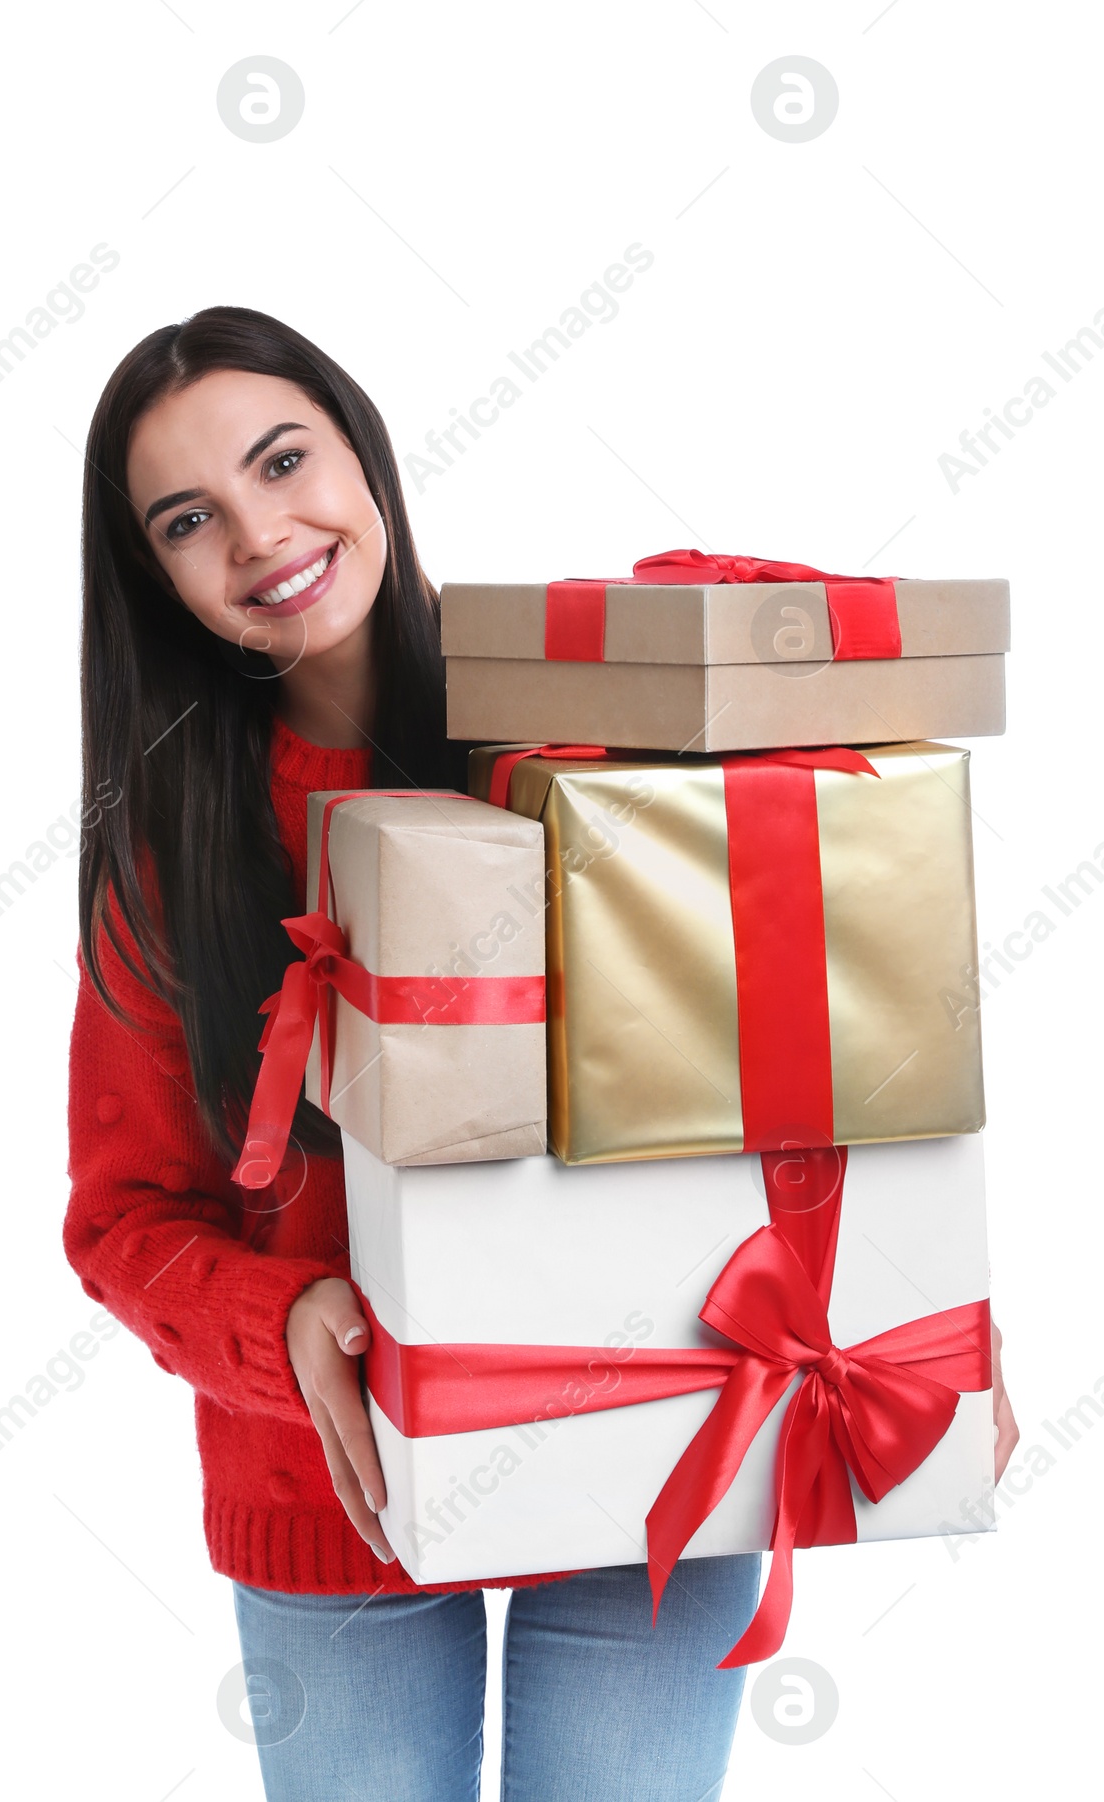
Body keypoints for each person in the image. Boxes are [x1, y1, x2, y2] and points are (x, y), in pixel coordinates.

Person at [61, 305, 1019, 1801]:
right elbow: (122, 1221)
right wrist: (283, 1318)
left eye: (283, 460)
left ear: (365, 458)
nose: (259, 532)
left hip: (662, 1440)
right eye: (192, 518)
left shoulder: (597, 743)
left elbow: (813, 1054)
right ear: (159, 577)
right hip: (337, 1492)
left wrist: (919, 1322)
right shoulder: (171, 852)